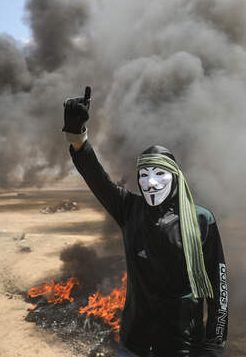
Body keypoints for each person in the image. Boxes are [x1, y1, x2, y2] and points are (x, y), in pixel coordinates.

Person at [63, 88, 228, 356]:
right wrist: (77, 135)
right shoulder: (130, 209)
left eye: (160, 173)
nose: (150, 182)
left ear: (175, 178)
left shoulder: (201, 219)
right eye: (144, 174)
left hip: (182, 347)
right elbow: (96, 177)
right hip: (134, 343)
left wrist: (214, 344)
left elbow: (218, 288)